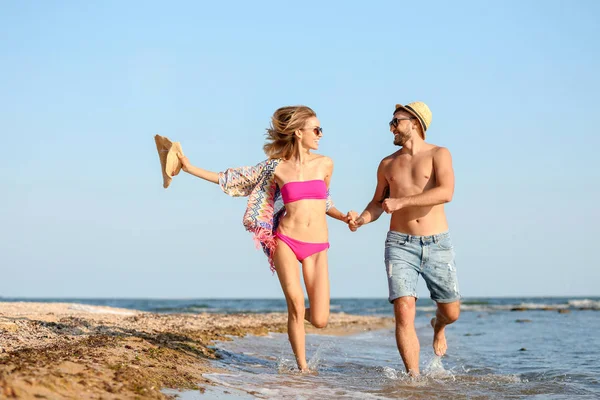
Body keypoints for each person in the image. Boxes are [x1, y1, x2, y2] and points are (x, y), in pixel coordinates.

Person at [177, 106, 350, 372]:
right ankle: (302, 368)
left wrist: (345, 217)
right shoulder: (276, 168)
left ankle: (296, 323)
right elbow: (233, 179)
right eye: (316, 129)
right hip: (286, 241)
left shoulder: (326, 164)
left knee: (319, 319)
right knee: (295, 304)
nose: (320, 135)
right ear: (297, 132)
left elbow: (324, 202)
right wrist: (189, 168)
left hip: (317, 246)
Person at [348, 101, 461, 376]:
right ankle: (414, 379)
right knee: (403, 308)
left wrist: (401, 202)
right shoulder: (387, 163)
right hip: (399, 244)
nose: (391, 128)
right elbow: (378, 203)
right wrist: (361, 220)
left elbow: (446, 192)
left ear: (415, 122)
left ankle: (439, 326)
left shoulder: (439, 154)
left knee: (452, 312)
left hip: (437, 243)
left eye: (396, 121)